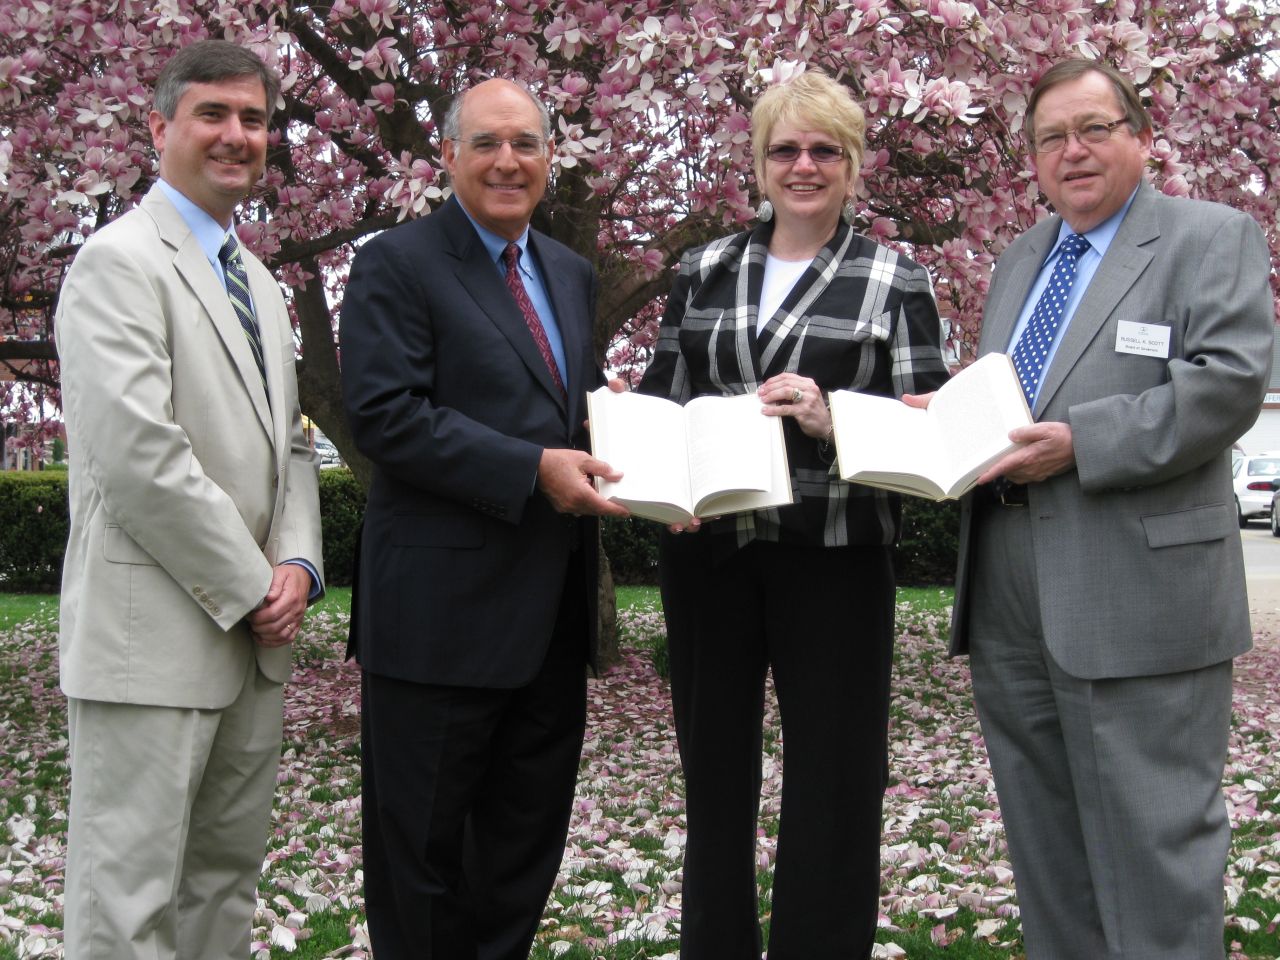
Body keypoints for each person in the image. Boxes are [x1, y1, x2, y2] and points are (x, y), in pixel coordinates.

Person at [920, 59, 1273, 959]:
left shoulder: (1209, 236)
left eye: (1093, 129)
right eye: (1050, 138)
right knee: (1046, 847)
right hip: (1007, 591)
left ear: (1141, 138)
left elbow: (1229, 383)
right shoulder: (1019, 260)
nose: (1071, 152)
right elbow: (1011, 395)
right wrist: (945, 417)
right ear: (1031, 159)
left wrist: (1084, 441)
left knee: (1157, 848)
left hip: (1139, 589)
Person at [637, 68, 949, 959]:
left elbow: (930, 436)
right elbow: (668, 400)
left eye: (825, 150)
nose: (804, 165)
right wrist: (659, 474)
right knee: (715, 776)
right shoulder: (702, 269)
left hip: (837, 556)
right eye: (786, 149)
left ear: (853, 167)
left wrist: (830, 415)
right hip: (712, 552)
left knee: (837, 779)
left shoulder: (896, 278)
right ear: (759, 164)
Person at [339, 78, 629, 959]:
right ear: (448, 158)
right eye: (487, 144)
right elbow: (386, 415)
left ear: (551, 158)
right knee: (419, 859)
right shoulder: (397, 261)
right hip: (437, 620)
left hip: (549, 617)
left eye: (527, 144)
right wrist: (532, 469)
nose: (509, 161)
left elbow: (557, 412)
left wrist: (638, 451)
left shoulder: (569, 274)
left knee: (519, 850)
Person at [55, 40, 324, 959]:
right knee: (126, 906)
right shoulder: (116, 263)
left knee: (222, 891)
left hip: (256, 641)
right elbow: (138, 456)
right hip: (153, 639)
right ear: (160, 126)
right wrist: (254, 584)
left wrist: (298, 562)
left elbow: (292, 444)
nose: (236, 135)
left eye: (253, 119)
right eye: (213, 114)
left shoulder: (260, 284)